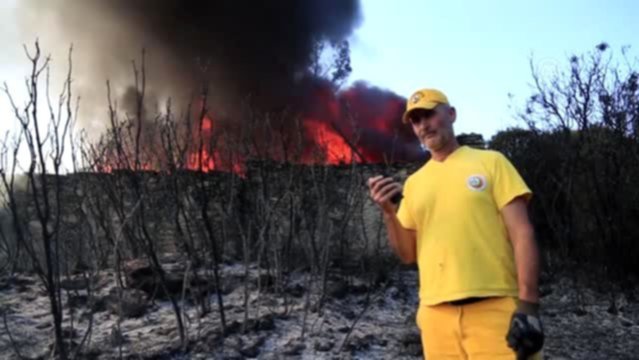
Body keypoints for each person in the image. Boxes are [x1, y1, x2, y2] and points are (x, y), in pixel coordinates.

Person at [367, 89, 544, 359]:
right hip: (435, 318)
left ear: (451, 114)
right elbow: (407, 254)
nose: (423, 125)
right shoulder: (415, 183)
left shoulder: (491, 162)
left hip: (497, 310)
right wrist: (389, 213)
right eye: (416, 121)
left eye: (429, 114)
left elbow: (522, 234)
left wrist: (529, 306)